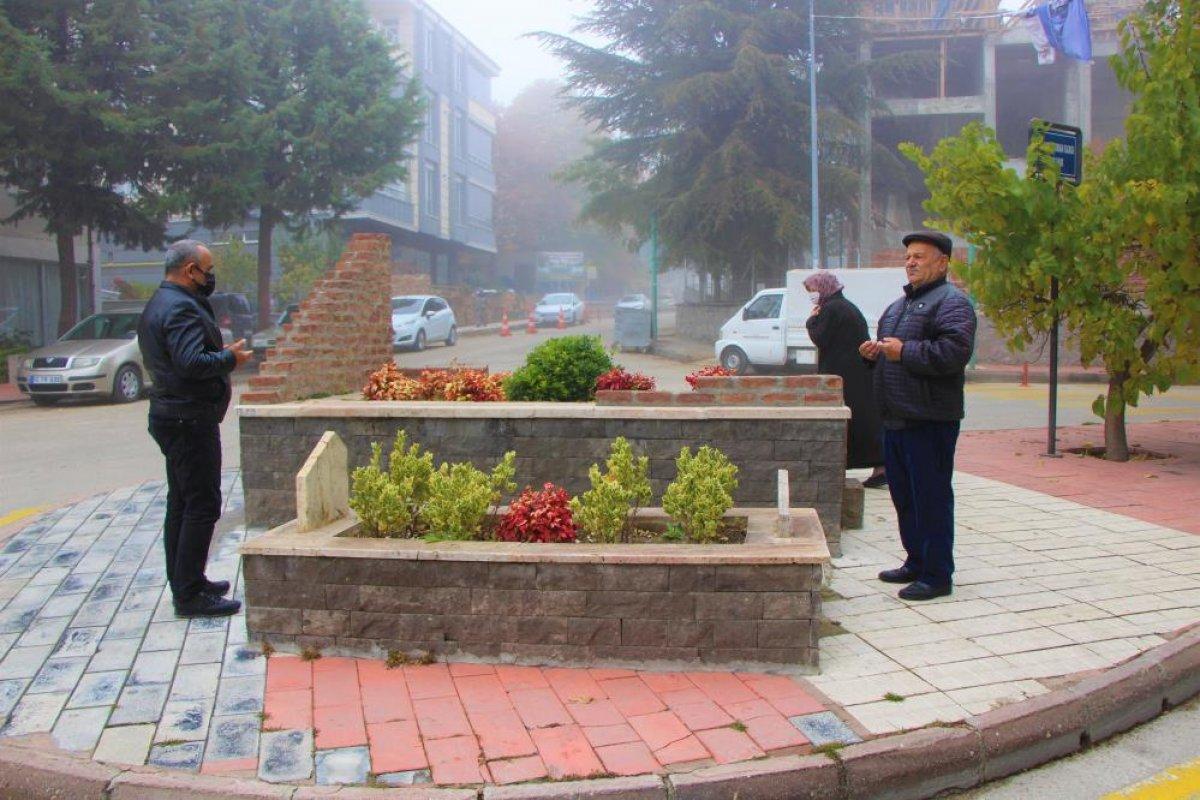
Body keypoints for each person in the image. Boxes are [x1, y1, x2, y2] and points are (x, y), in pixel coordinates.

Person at [858, 231, 976, 602]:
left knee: (932, 497)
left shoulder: (953, 303)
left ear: (942, 262)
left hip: (930, 420)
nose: (910, 262)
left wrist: (904, 351)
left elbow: (953, 353)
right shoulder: (897, 307)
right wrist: (873, 354)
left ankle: (938, 574)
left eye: (920, 257)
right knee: (905, 497)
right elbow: (892, 354)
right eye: (908, 256)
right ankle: (915, 560)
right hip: (895, 419)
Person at [138, 240, 252, 617]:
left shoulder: (162, 301)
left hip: (173, 415)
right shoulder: (180, 308)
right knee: (202, 504)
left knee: (182, 501)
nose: (211, 276)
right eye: (208, 269)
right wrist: (229, 358)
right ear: (190, 270)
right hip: (188, 419)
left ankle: (187, 579)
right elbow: (191, 362)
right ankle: (189, 595)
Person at [803, 271, 886, 487]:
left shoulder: (832, 308)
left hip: (847, 374)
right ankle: (879, 466)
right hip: (856, 372)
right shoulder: (843, 306)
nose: (811, 295)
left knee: (855, 420)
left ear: (824, 287)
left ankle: (879, 466)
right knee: (862, 419)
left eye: (812, 290)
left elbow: (820, 338)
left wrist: (811, 320)